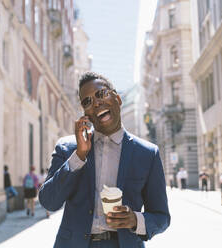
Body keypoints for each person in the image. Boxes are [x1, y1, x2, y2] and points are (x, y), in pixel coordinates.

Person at [39, 72, 170, 248]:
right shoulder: (67, 147)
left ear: (117, 99)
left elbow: (161, 217)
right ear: (85, 112)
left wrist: (135, 220)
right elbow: (49, 202)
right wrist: (79, 156)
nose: (96, 102)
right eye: (87, 101)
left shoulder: (147, 153)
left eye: (101, 94)